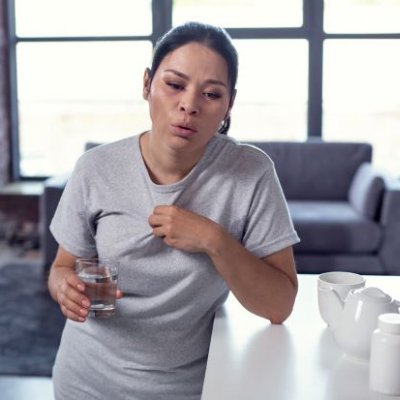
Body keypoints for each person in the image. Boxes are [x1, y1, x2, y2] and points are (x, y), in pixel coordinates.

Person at [47, 21, 300, 400]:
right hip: (86, 382)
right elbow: (62, 267)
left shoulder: (250, 172)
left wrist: (214, 240)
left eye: (211, 94)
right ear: (147, 84)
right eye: (175, 84)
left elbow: (279, 306)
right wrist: (63, 288)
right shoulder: (95, 168)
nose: (189, 105)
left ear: (229, 103)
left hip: (188, 388)